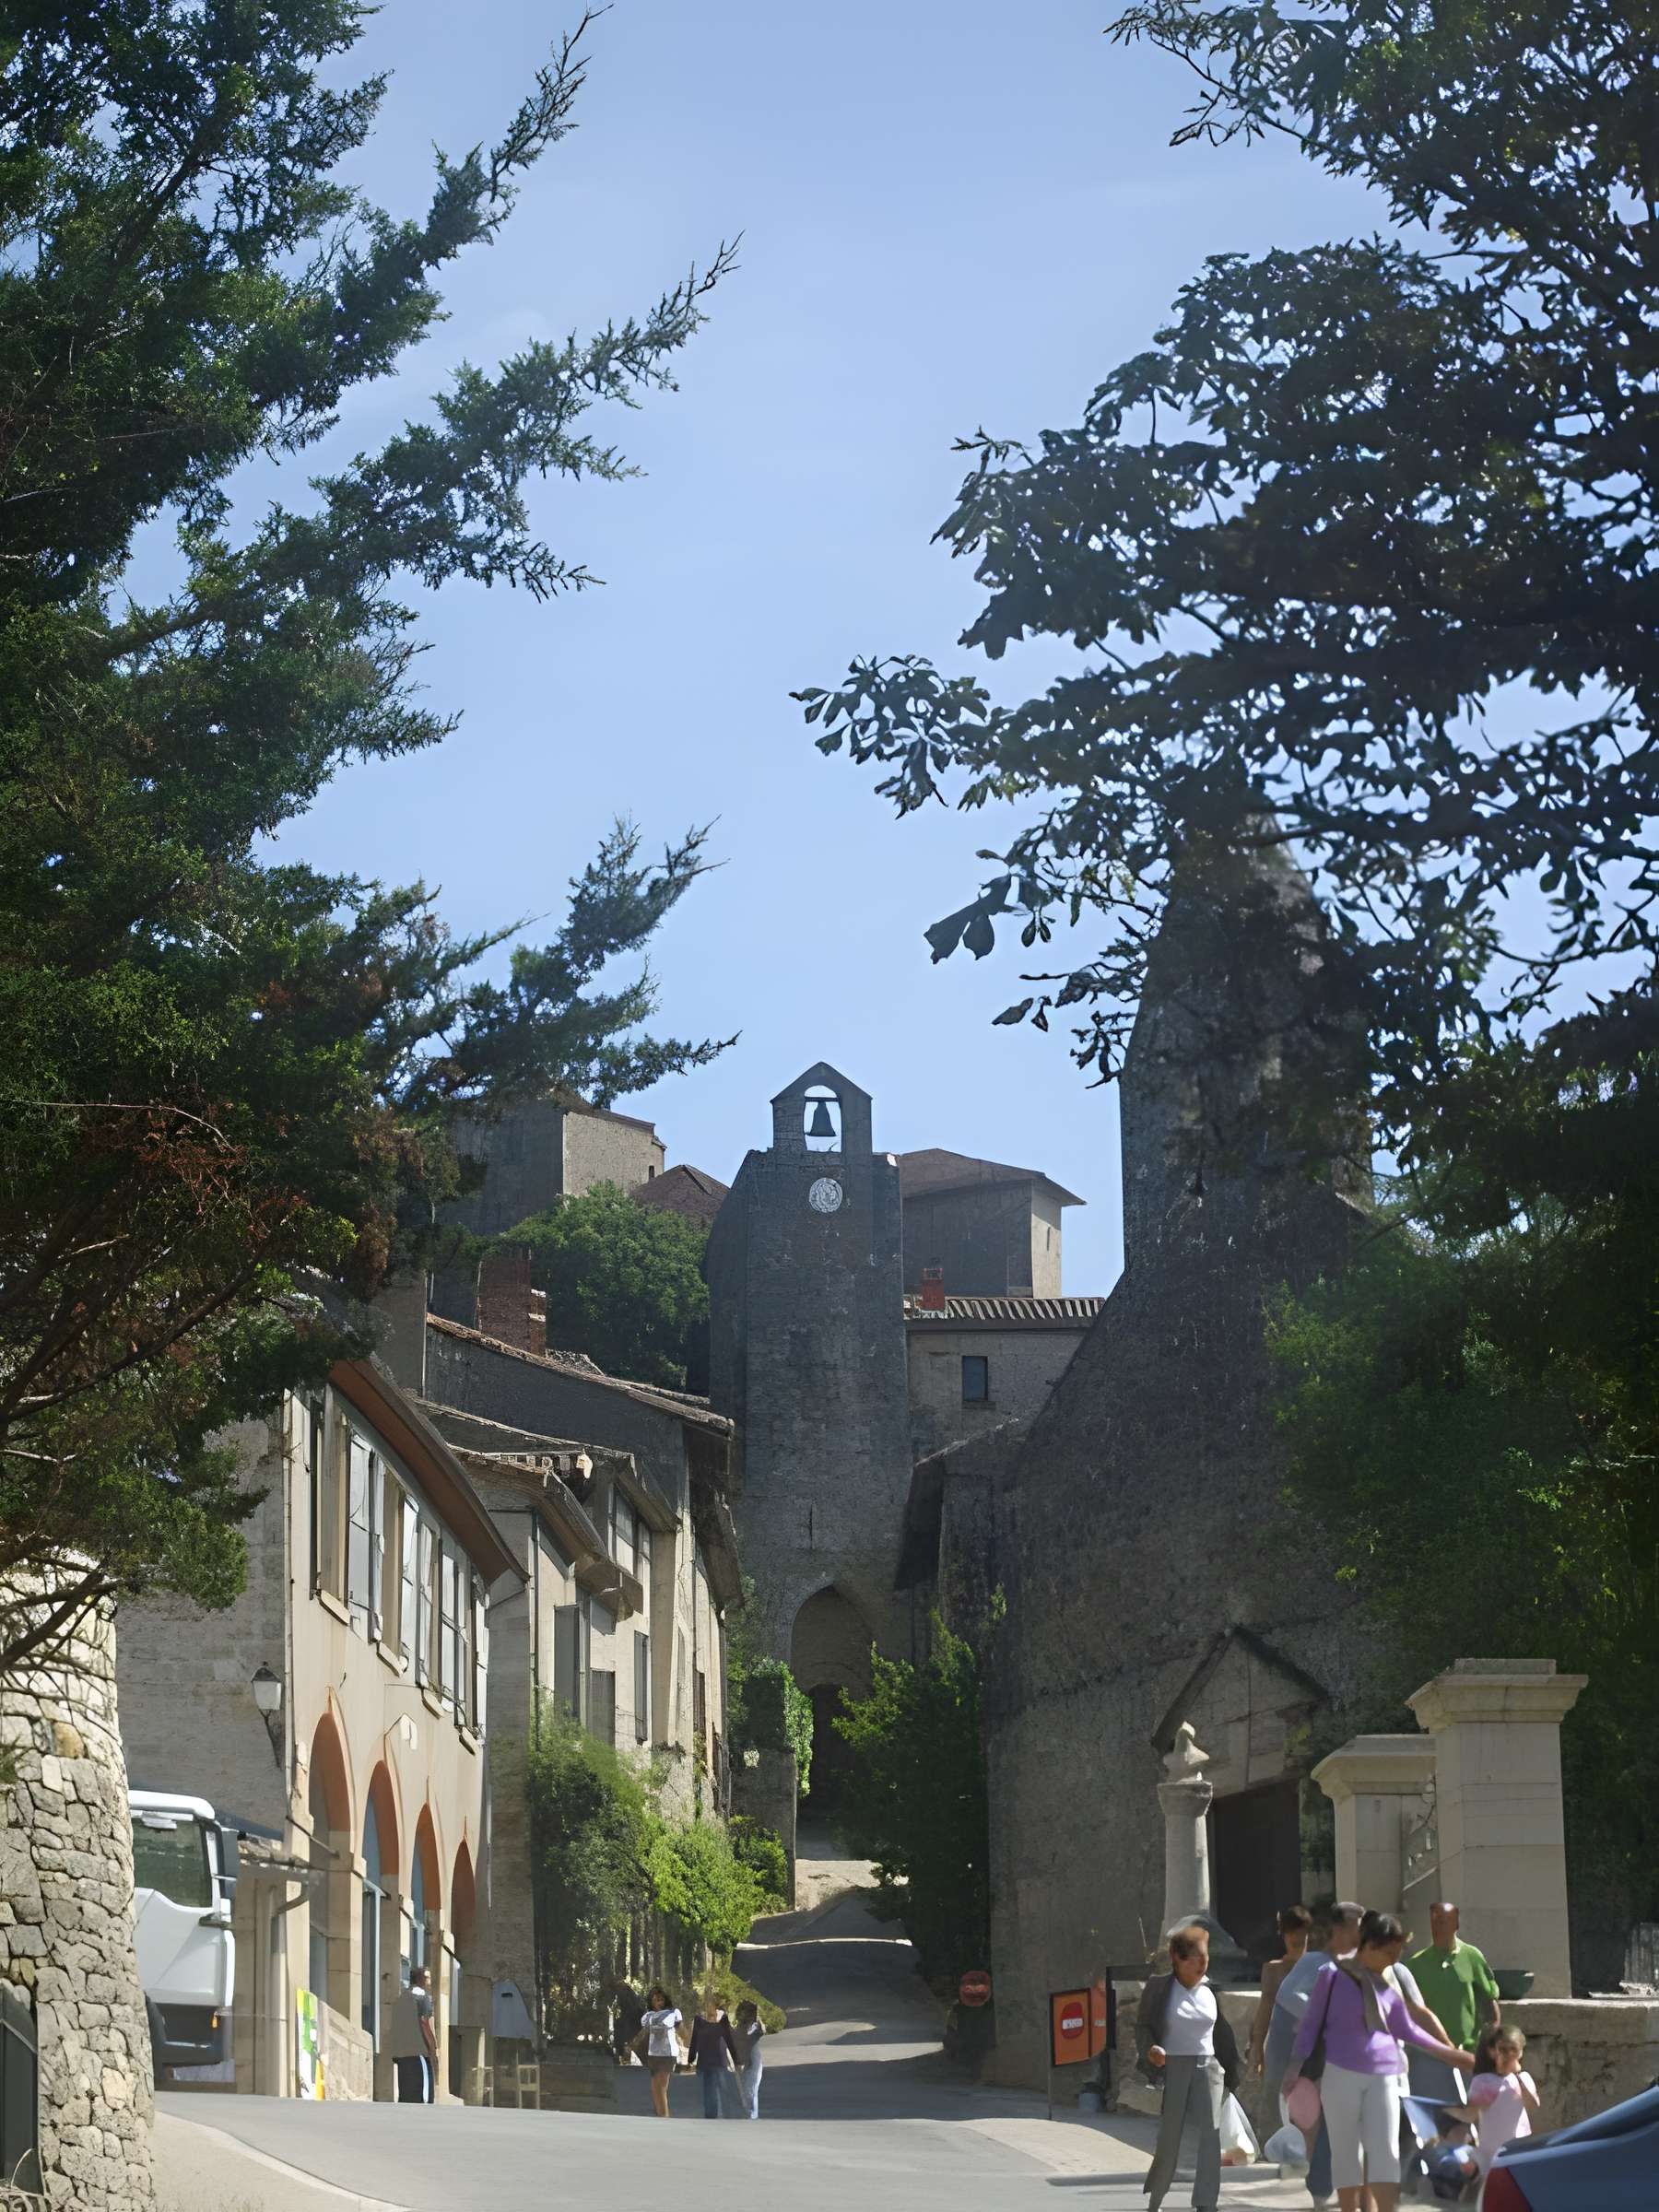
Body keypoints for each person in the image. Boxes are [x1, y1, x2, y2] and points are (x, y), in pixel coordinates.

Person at [1285, 1910, 1476, 2212]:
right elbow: (1310, 2025)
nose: (1394, 1960)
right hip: (1341, 2074)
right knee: (1347, 2151)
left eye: (1398, 1954)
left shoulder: (1388, 1980)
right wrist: (1294, 2069)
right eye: (1389, 1953)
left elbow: (1408, 2029)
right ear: (1369, 1945)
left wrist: (1453, 2055)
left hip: (1385, 2074)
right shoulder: (1331, 1976)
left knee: (1385, 2151)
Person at [1135, 1924, 1242, 2212]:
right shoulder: (1160, 1988)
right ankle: (1156, 2199)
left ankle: (1207, 2204)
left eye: (1204, 1957)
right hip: (1174, 2065)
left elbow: (1221, 2032)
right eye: (1194, 1958)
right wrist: (1151, 2050)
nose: (1201, 1964)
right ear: (1177, 1959)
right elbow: (1143, 2026)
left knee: (1211, 2136)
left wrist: (1231, 2068)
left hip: (1208, 2066)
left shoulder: (1208, 1989)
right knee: (1170, 2136)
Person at [1271, 1900, 1363, 2204]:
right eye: (1356, 1926)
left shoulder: (1359, 1965)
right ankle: (1321, 2189)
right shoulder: (1317, 1962)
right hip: (1320, 2058)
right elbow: (1287, 1994)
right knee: (1323, 2123)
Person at [1406, 1903, 1501, 2105]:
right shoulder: (1415, 1965)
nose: (1438, 1926)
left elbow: (1489, 2003)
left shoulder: (1472, 1957)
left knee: (1472, 2118)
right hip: (1429, 2059)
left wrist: (1490, 2047)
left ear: (1456, 1923)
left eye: (1444, 1920)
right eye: (1435, 1920)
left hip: (1468, 2055)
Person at [1248, 1905, 1312, 2093]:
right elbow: (1265, 2006)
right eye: (1291, 1934)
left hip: (1310, 2047)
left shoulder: (1319, 1968)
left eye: (1300, 1934)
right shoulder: (1273, 1969)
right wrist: (1257, 2046)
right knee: (1276, 2101)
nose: (1296, 1939)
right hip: (1281, 2044)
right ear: (1283, 1935)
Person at [1465, 2025, 1540, 2176]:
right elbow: (1473, 2112)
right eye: (1503, 2050)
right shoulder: (1482, 2081)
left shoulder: (1524, 2079)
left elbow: (1533, 2105)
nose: (1509, 2055)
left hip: (1517, 2148)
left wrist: (1517, 2077)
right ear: (1493, 2052)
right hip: (1490, 2153)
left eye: (1514, 2050)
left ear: (1520, 2052)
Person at [687, 1992, 741, 2118]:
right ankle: (711, 2117)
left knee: (723, 2089)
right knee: (709, 2091)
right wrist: (691, 2058)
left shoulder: (723, 2019)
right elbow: (694, 2039)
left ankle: (726, 2115)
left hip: (719, 2060)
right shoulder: (699, 2020)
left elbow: (729, 2040)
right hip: (705, 2061)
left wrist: (736, 2060)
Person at [389, 1964, 437, 2103]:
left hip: (402, 2053)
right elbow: (425, 2023)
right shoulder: (423, 1998)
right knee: (423, 2096)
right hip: (419, 2052)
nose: (429, 1982)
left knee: (406, 2093)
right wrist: (432, 2047)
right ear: (420, 1979)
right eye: (428, 1978)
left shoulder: (402, 1997)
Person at [635, 1983, 685, 2118]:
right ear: (651, 2002)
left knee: (662, 2086)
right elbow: (644, 2032)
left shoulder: (672, 2013)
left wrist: (689, 2041)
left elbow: (681, 2030)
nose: (660, 2003)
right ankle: (660, 2115)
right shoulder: (648, 2016)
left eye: (661, 1999)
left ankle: (664, 2116)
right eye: (656, 2000)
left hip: (668, 2054)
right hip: (653, 2055)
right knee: (655, 2088)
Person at [733, 1997, 766, 2119]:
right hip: (746, 2064)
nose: (742, 2016)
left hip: (753, 2064)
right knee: (748, 2093)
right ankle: (750, 2117)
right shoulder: (742, 2028)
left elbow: (760, 2031)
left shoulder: (755, 2027)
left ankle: (751, 2117)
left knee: (750, 2092)